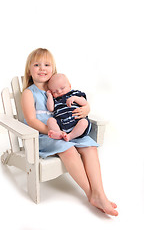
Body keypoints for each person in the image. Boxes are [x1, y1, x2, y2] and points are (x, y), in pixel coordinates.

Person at [21, 48, 118, 216]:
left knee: (89, 146)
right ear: (29, 70)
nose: (42, 68)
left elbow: (77, 101)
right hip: (44, 135)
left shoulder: (58, 87)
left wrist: (86, 108)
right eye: (36, 65)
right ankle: (91, 194)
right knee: (68, 149)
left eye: (46, 64)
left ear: (53, 68)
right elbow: (31, 120)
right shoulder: (29, 93)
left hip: (68, 130)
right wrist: (53, 132)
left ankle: (100, 192)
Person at [47, 73, 91, 142]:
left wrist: (75, 98)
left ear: (69, 86)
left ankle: (70, 136)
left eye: (62, 88)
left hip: (77, 121)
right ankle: (59, 134)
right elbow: (50, 108)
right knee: (50, 120)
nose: (59, 92)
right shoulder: (55, 100)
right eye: (55, 91)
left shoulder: (75, 94)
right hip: (62, 124)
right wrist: (49, 96)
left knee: (84, 122)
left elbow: (84, 102)